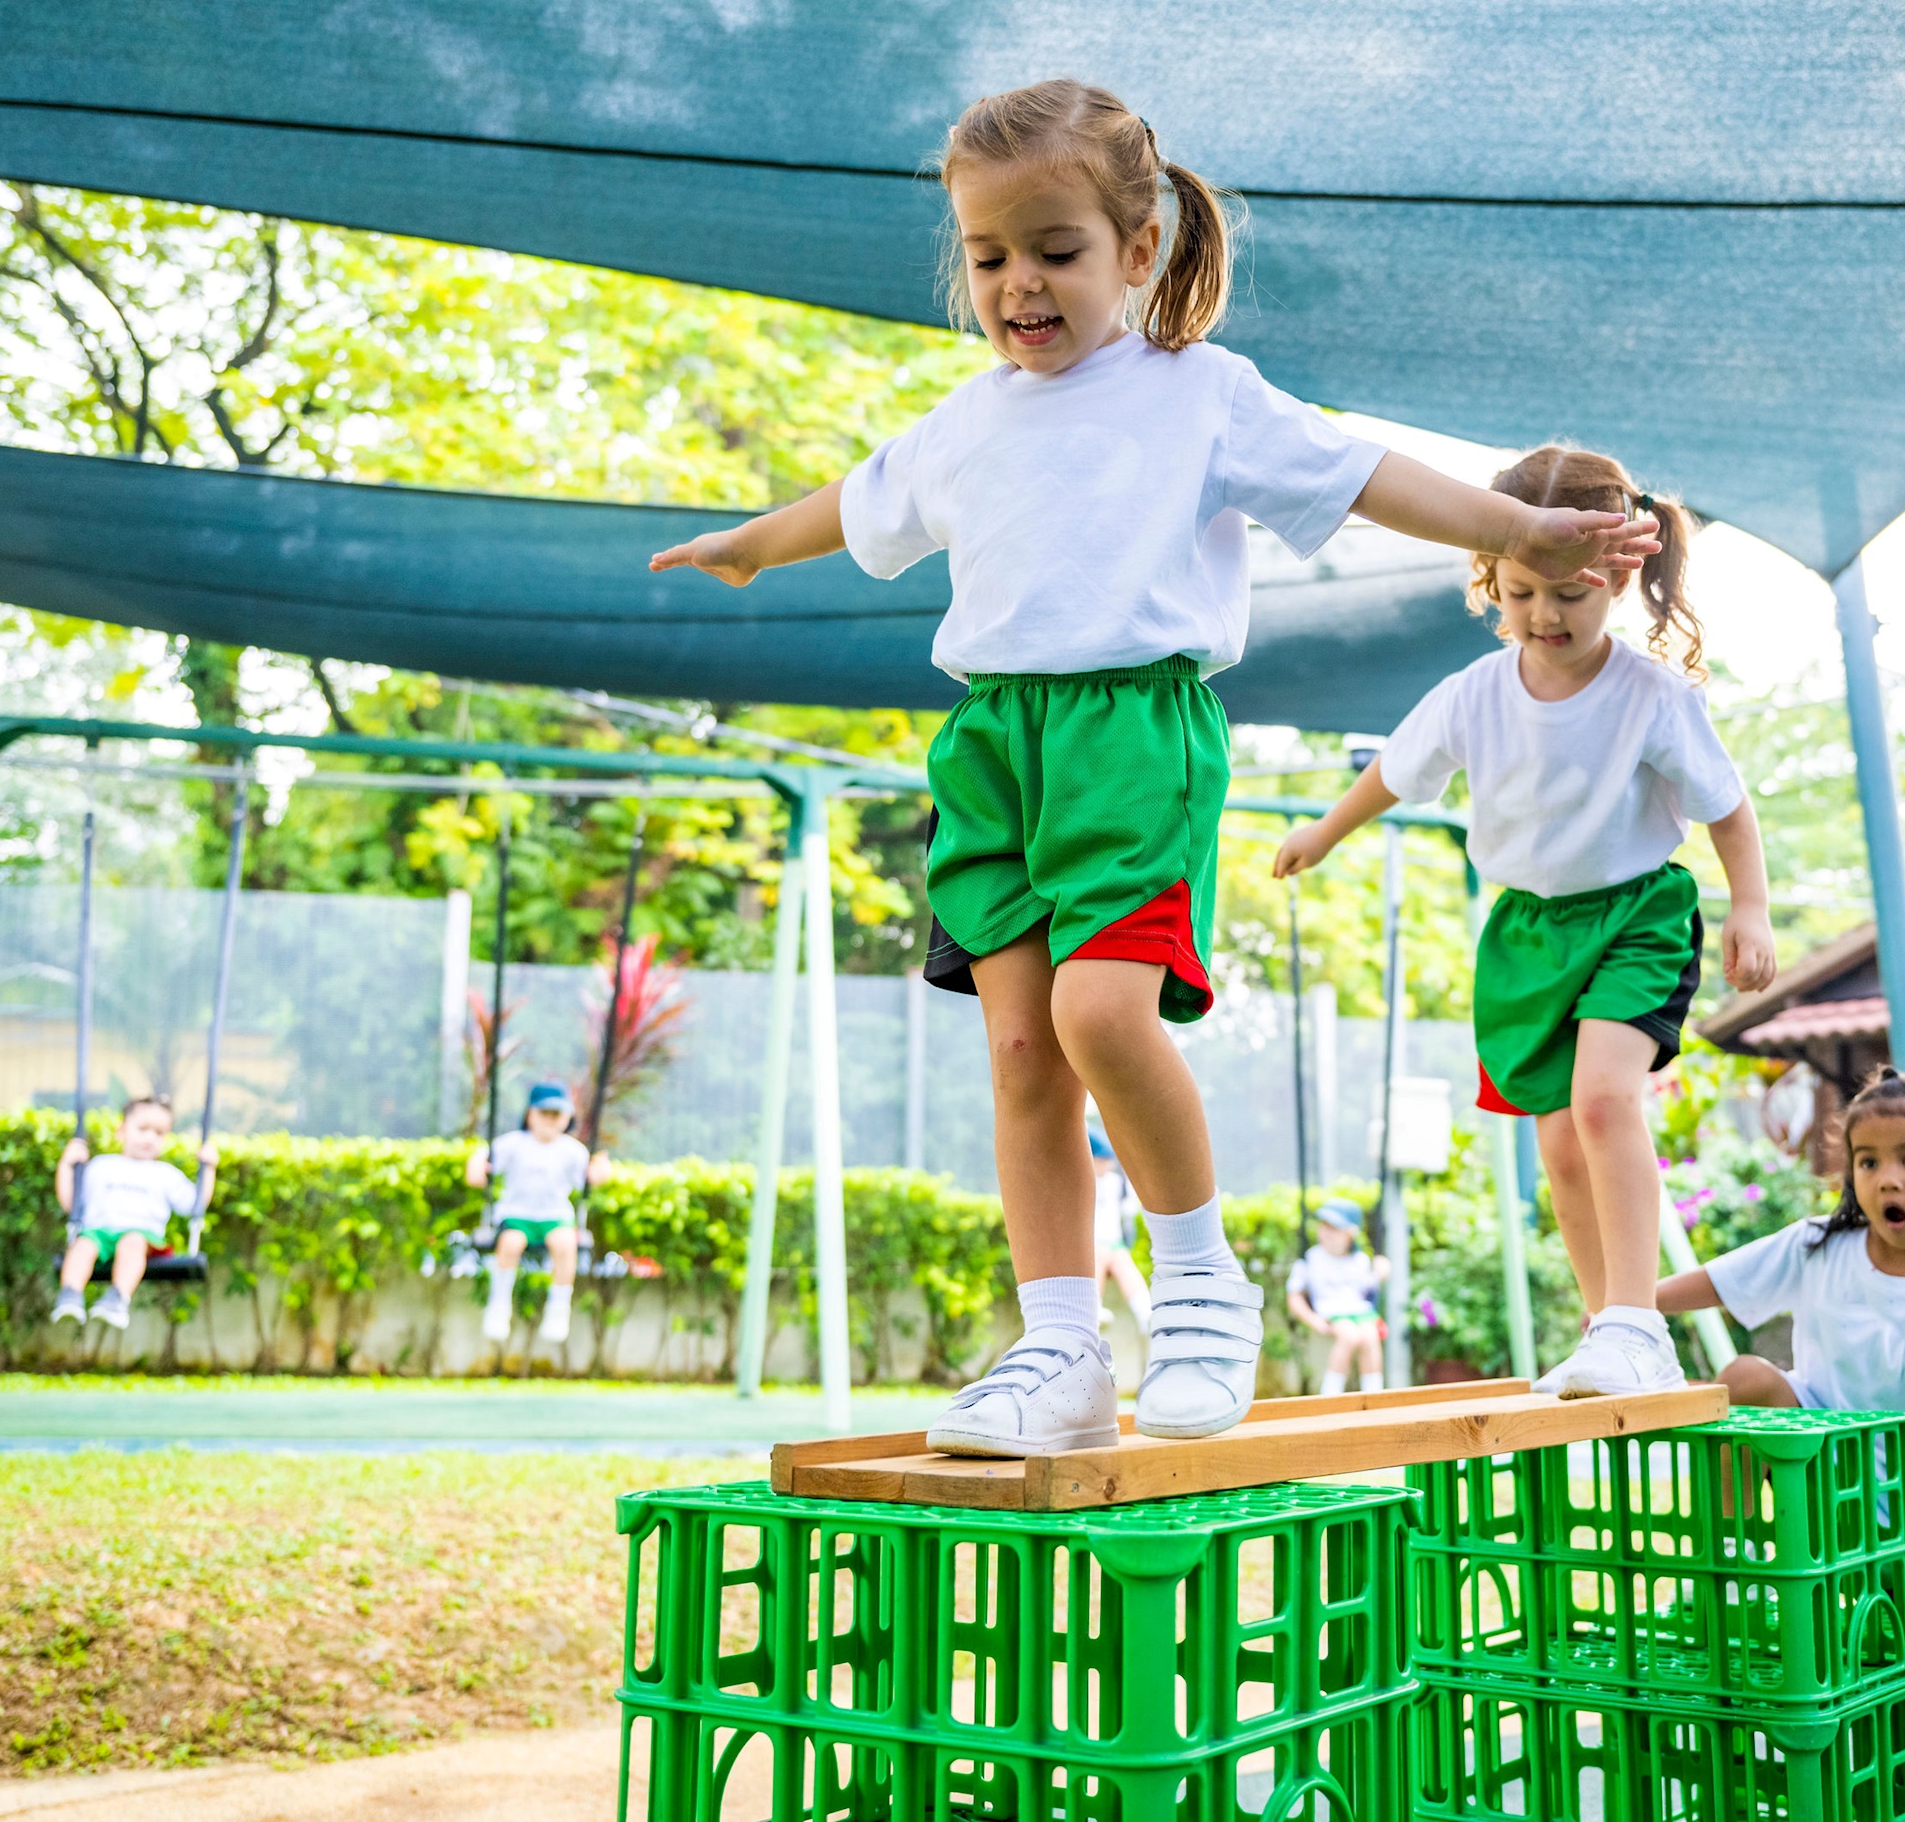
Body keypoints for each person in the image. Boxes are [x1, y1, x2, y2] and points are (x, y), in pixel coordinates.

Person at [653, 78, 1656, 1457]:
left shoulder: (1199, 396)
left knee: (1102, 1018)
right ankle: (1060, 1345)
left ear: (1138, 249)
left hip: (1132, 735)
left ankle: (1198, 1296)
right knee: (1020, 1049)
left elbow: (1362, 472)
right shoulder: (969, 420)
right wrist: (754, 542)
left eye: (1055, 251)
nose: (1020, 286)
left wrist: (1518, 526)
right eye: (990, 257)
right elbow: (863, 499)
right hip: (996, 745)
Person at [1273, 444, 1773, 1401]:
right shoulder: (1474, 695)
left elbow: (1726, 806)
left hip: (1635, 915)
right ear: (1488, 579)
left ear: (1621, 581)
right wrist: (1326, 832)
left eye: (1571, 595)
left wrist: (1749, 905)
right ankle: (1610, 1334)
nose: (1544, 615)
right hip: (1526, 936)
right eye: (1521, 592)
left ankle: (1636, 1323)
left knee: (1601, 1105)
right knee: (1555, 1143)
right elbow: (1395, 772)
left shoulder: (1652, 697)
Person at [1659, 1069, 1905, 1626]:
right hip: (1808, 1476)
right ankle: (1727, 1570)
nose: (1887, 1180)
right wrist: (1628, 1306)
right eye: (1868, 1161)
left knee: (1887, 1656)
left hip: (1888, 1530)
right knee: (1744, 1379)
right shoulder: (1819, 1245)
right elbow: (1718, 1281)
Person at [51, 1096, 212, 1330]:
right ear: (122, 1131)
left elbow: (194, 1205)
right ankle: (70, 1295)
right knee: (83, 1245)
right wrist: (66, 1165)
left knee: (132, 1241)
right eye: (143, 1129)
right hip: (99, 1233)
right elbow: (71, 1203)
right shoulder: (100, 1166)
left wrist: (209, 1169)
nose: (150, 1138)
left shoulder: (165, 1174)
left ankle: (117, 1299)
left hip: (142, 1238)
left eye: (159, 1133)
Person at [467, 1081, 608, 1346]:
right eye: (545, 1113)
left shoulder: (573, 1150)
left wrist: (600, 1169)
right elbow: (480, 1167)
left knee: (565, 1244)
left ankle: (558, 1308)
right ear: (530, 1114)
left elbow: (592, 1178)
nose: (551, 1121)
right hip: (516, 1215)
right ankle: (499, 1306)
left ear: (568, 1118)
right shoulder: (512, 1144)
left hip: (555, 1216)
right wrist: (476, 1165)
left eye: (558, 1115)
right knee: (511, 1243)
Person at [1285, 1198, 1388, 1396]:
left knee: (1370, 1336)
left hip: (1358, 1310)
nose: (1326, 1232)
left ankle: (1375, 1394)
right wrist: (1314, 1321)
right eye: (1324, 1226)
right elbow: (1294, 1297)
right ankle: (1331, 1395)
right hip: (1331, 1311)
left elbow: (1368, 1288)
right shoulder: (1310, 1259)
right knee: (1349, 1336)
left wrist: (1381, 1273)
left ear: (1350, 1233)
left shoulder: (1360, 1260)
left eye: (1334, 1228)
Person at [1087, 1120, 1150, 1341]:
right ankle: (1092, 1310)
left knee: (1122, 1260)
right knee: (1099, 1256)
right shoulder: (1082, 1182)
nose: (1108, 1166)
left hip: (1114, 1244)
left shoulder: (1118, 1183)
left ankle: (1146, 1313)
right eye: (1102, 1160)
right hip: (1091, 1246)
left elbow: (1128, 1216)